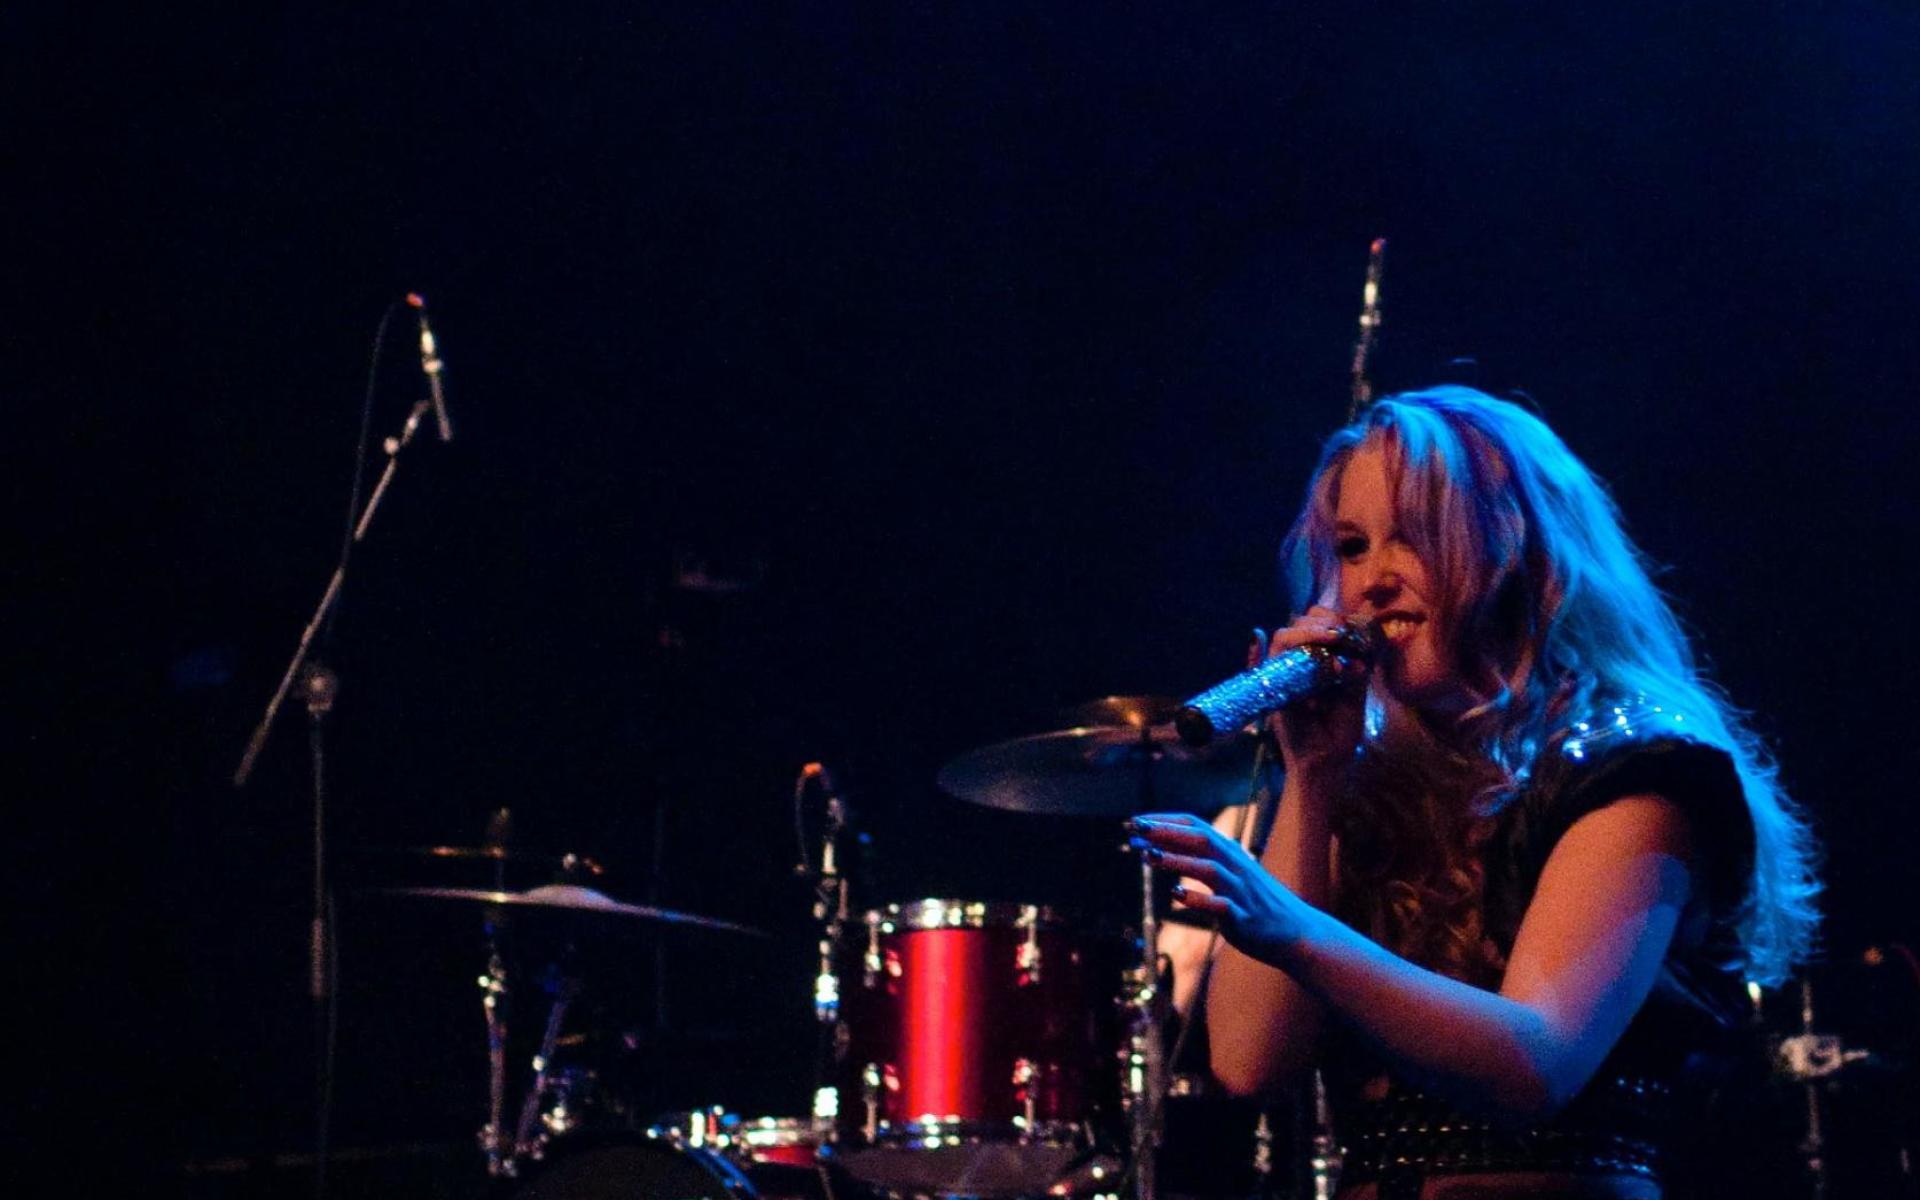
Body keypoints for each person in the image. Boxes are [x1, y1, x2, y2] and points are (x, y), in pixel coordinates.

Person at [1131, 386, 1820, 1199]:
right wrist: (1312, 780)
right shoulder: (1368, 786)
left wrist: (1290, 926)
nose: (1372, 582)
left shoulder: (1639, 772)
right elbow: (1250, 1062)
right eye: (1352, 547)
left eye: (1414, 537)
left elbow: (1535, 1064)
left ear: (1518, 547)